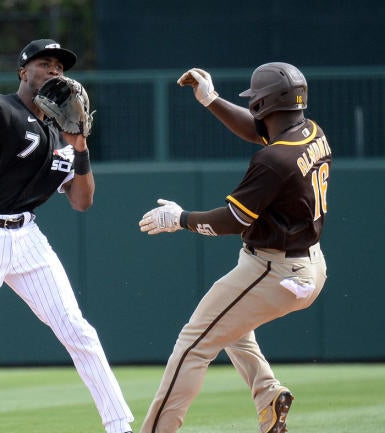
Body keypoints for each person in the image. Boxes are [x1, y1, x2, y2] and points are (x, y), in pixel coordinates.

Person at [0, 25, 134, 433]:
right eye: (44, 63)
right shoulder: (2, 111)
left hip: (27, 238)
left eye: (59, 67)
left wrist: (81, 147)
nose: (53, 70)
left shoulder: (61, 137)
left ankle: (119, 425)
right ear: (23, 71)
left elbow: (82, 201)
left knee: (79, 332)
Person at [137, 63, 332, 433]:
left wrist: (180, 218)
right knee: (231, 326)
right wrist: (211, 99)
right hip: (307, 264)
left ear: (263, 104)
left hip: (274, 271)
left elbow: (233, 220)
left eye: (255, 100)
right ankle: (268, 395)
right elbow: (260, 130)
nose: (253, 106)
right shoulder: (312, 132)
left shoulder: (274, 160)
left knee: (193, 345)